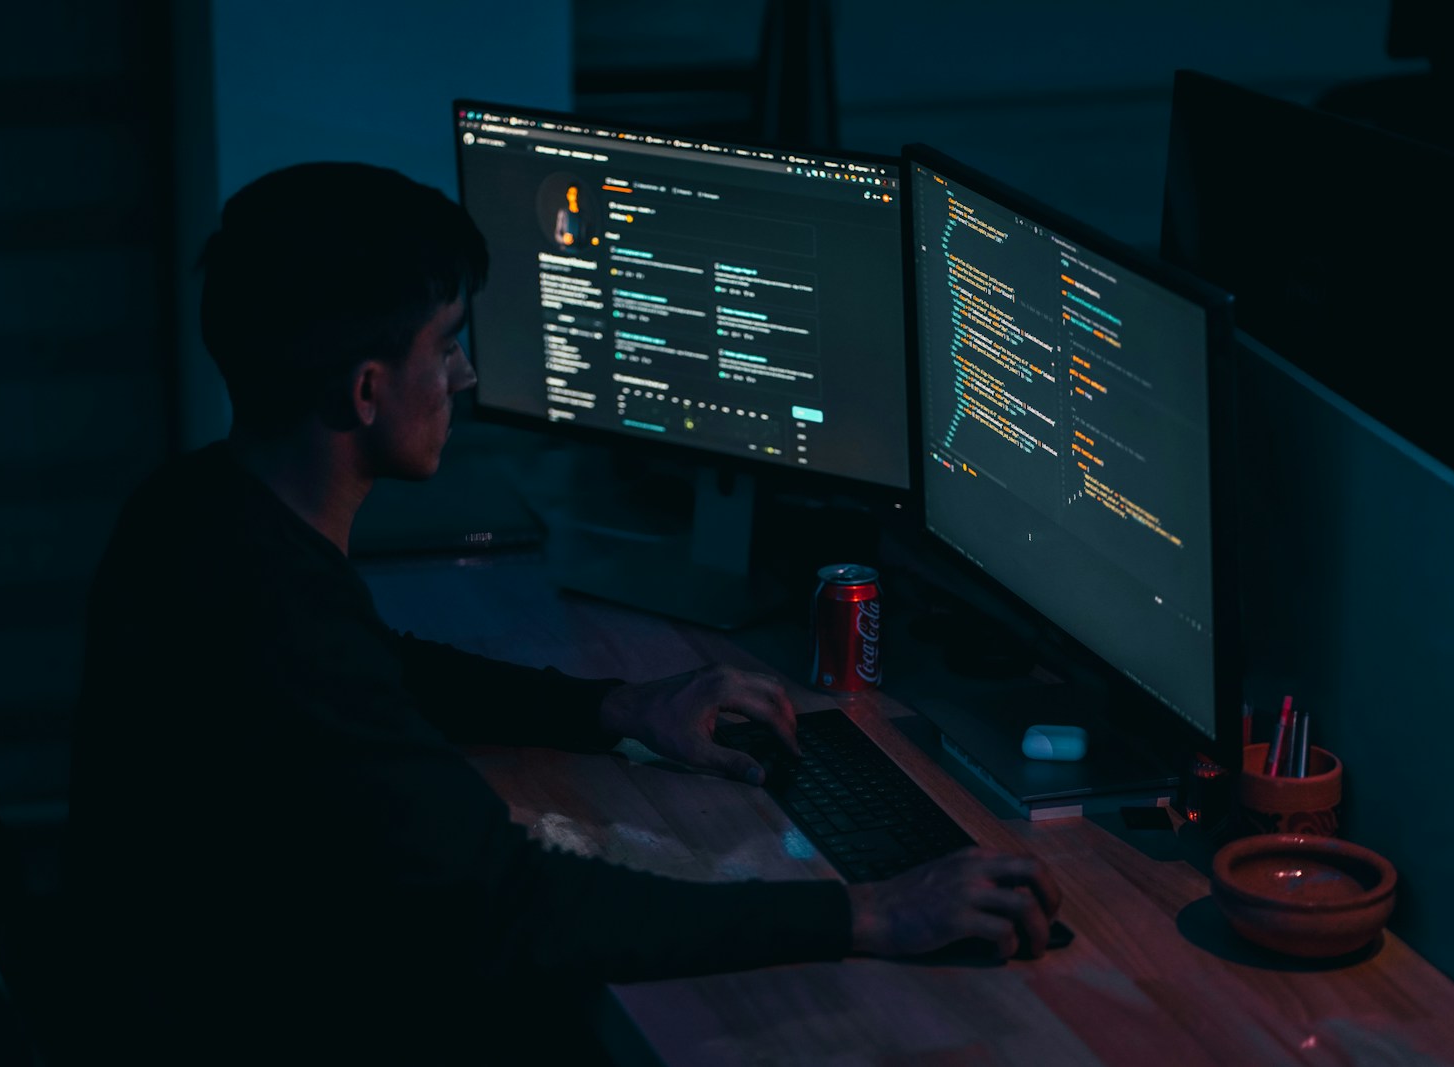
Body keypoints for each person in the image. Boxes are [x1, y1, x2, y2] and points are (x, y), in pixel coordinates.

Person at [64, 162, 1062, 1064]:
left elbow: (378, 671)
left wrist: (616, 707)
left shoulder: (196, 513)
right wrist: (867, 912)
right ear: (367, 391)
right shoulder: (278, 616)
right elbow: (512, 905)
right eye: (446, 345)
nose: (463, 375)